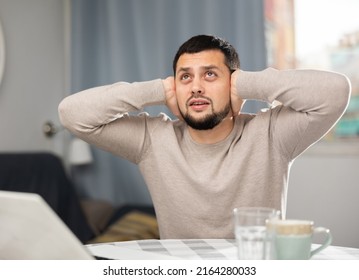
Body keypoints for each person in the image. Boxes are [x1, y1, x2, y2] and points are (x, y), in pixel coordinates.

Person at [59, 35, 351, 239]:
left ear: (233, 83)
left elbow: (335, 92)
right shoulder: (153, 139)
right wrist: (159, 90)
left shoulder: (272, 134)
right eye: (185, 77)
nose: (195, 87)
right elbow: (72, 114)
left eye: (210, 75)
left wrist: (247, 83)